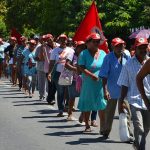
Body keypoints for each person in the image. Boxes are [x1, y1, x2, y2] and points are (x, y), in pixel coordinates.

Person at [118, 37, 150, 150]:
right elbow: (124, 84)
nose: (143, 50)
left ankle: (137, 143)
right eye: (140, 47)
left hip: (148, 99)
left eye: (145, 47)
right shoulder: (128, 64)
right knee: (139, 127)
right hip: (134, 100)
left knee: (146, 128)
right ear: (135, 49)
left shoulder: (149, 61)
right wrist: (120, 102)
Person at [99, 37, 132, 139]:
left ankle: (128, 134)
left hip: (125, 90)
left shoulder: (127, 57)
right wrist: (105, 90)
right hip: (112, 90)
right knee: (109, 112)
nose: (120, 48)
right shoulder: (108, 58)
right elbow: (104, 75)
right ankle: (105, 131)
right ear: (112, 46)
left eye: (121, 45)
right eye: (117, 46)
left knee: (126, 112)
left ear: (124, 46)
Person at [77, 33, 107, 132]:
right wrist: (91, 75)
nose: (96, 43)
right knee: (87, 103)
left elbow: (106, 67)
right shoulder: (83, 53)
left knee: (101, 104)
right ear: (88, 43)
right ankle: (87, 125)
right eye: (94, 41)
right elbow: (81, 67)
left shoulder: (103, 53)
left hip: (100, 83)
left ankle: (103, 126)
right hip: (88, 83)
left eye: (98, 41)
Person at [48, 34, 74, 117]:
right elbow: (52, 62)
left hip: (68, 73)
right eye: (61, 39)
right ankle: (61, 109)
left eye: (65, 39)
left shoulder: (71, 50)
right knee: (60, 92)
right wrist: (49, 73)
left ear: (67, 40)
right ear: (58, 40)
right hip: (58, 72)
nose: (63, 41)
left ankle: (68, 106)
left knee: (69, 91)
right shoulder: (55, 51)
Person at [65, 41, 86, 121]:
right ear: (76, 48)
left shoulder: (86, 55)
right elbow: (66, 64)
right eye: (80, 47)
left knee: (84, 98)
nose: (81, 49)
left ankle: (83, 114)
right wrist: (75, 69)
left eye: (83, 47)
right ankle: (69, 113)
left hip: (84, 80)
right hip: (74, 79)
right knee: (72, 97)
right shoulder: (72, 55)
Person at [44, 34, 56, 105]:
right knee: (50, 84)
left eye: (50, 38)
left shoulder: (57, 45)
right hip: (48, 68)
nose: (49, 40)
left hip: (56, 67)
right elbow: (44, 56)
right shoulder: (45, 47)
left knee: (54, 84)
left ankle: (50, 98)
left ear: (53, 38)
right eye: (47, 39)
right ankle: (51, 99)